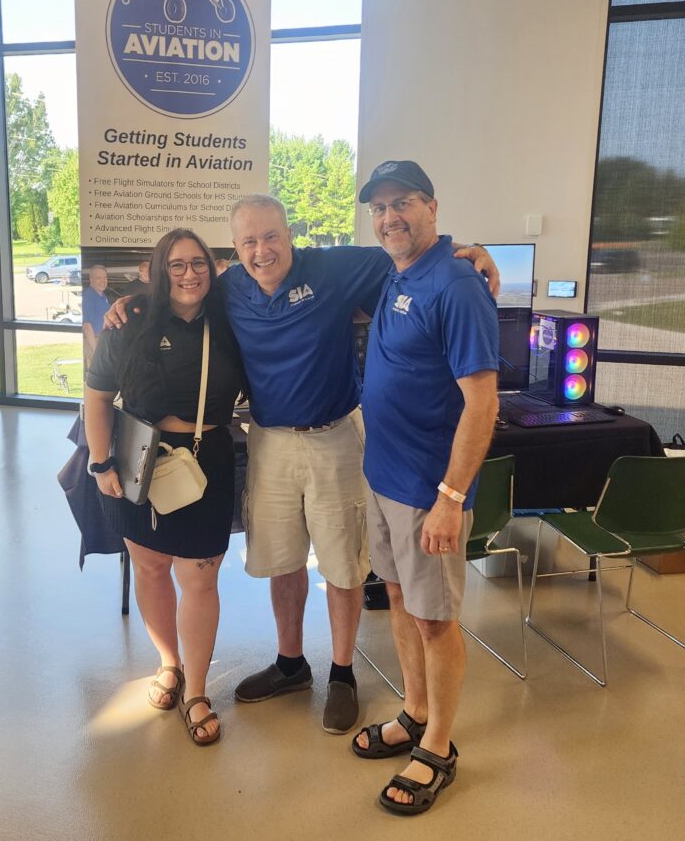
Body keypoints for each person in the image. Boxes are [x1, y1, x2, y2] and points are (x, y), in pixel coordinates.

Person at [106, 196, 500, 737]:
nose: (262, 251)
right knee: (284, 559)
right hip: (268, 440)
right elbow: (178, 290)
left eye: (271, 237)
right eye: (248, 242)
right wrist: (126, 303)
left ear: (289, 234)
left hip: (334, 435)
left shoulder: (332, 267)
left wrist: (465, 251)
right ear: (236, 250)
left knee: (340, 563)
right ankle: (290, 663)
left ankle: (341, 673)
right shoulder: (230, 286)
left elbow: (407, 251)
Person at [352, 161, 500, 816]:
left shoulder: (458, 285)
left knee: (436, 618)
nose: (389, 217)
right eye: (380, 207)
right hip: (384, 477)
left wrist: (449, 495)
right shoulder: (399, 267)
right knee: (405, 604)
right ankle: (415, 711)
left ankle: (437, 745)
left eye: (402, 202)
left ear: (432, 206)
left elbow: (483, 403)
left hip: (425, 490)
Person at [83, 230, 245, 746]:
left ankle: (196, 692)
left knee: (199, 579)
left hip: (205, 462)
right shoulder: (128, 322)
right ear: (158, 270)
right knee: (151, 567)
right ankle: (169, 664)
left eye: (199, 263)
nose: (189, 273)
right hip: (137, 460)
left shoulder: (231, 318)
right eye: (176, 265)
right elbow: (97, 396)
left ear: (214, 268)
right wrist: (101, 462)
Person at [82, 264, 112, 366]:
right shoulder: (88, 297)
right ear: (91, 279)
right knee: (95, 379)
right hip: (94, 342)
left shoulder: (103, 296)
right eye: (99, 278)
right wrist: (96, 352)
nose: (103, 281)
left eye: (105, 278)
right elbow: (87, 326)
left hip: (103, 342)